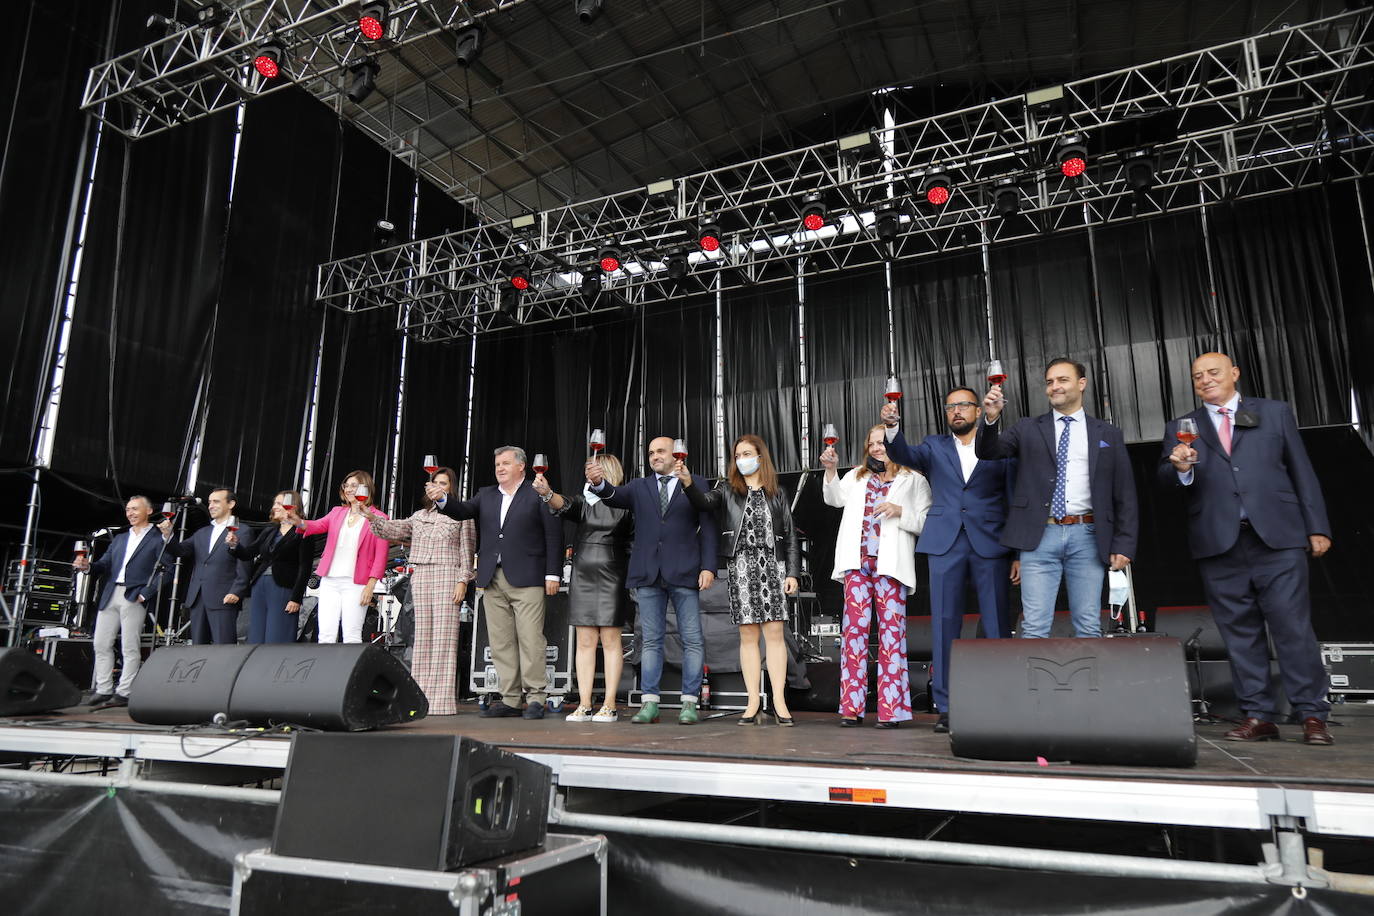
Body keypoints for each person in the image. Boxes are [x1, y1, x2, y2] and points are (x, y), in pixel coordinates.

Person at [1160, 352, 1334, 745]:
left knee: (1292, 628)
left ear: (1234, 373)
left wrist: (1317, 527)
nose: (1205, 380)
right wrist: (1181, 468)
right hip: (1220, 542)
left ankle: (1311, 714)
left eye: (1213, 372)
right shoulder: (1182, 426)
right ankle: (1258, 714)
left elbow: (1301, 470)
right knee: (1238, 633)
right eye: (1197, 376)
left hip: (1278, 536)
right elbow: (1164, 479)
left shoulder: (1274, 413)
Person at [881, 388, 1019, 734]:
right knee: (944, 625)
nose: (956, 411)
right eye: (951, 406)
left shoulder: (1001, 447)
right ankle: (946, 706)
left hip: (990, 542)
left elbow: (1015, 498)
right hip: (945, 542)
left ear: (978, 410)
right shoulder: (934, 446)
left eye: (963, 405)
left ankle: (1001, 702)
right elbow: (902, 453)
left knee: (997, 625)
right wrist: (892, 428)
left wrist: (1018, 553)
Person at [976, 358, 1138, 639]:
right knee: (1034, 627)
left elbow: (1124, 492)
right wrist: (990, 418)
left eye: (1062, 380)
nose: (1055, 387)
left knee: (1088, 625)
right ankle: (1033, 685)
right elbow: (989, 451)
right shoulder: (1027, 428)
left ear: (1081, 384)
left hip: (1088, 534)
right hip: (1040, 535)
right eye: (1050, 382)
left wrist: (1124, 543)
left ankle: (1087, 684)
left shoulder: (1107, 433)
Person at [586, 436, 718, 726]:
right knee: (651, 640)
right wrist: (598, 483)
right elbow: (613, 495)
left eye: (661, 451)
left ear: (676, 454)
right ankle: (649, 703)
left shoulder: (694, 483)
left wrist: (709, 566)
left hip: (684, 571)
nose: (655, 456)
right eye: (650, 452)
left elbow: (708, 526)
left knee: (692, 639)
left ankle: (690, 703)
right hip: (648, 572)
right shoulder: (639, 486)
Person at [681, 435, 801, 726]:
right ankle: (752, 702)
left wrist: (793, 572)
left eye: (747, 453)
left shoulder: (777, 492)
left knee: (774, 634)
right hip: (741, 565)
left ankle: (780, 703)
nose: (742, 459)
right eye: (737, 455)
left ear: (760, 457)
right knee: (748, 635)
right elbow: (704, 502)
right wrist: (687, 483)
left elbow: (791, 533)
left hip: (773, 564)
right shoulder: (727, 489)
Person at [435, 447, 561, 720]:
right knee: (501, 641)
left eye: (505, 463)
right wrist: (443, 499)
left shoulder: (536, 492)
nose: (500, 468)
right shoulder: (487, 494)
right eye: (497, 464)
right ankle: (511, 699)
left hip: (528, 576)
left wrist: (553, 573)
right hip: (492, 577)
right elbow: (462, 510)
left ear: (521, 467)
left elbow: (553, 534)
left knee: (530, 639)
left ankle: (537, 697)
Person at [822, 424, 932, 728]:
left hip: (890, 568)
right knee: (854, 636)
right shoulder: (857, 475)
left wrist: (900, 511)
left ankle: (891, 711)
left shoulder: (914, 480)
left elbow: (926, 521)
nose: (876, 448)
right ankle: (851, 708)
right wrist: (831, 470)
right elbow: (833, 498)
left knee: (891, 638)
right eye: (871, 444)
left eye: (882, 443)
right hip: (857, 566)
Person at [367, 467, 477, 716]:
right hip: (421, 574)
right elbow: (394, 530)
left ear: (451, 488)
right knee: (423, 637)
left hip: (448, 573)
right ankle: (419, 699)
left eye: (444, 483)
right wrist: (372, 518)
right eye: (434, 482)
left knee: (444, 639)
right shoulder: (418, 515)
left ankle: (441, 702)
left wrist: (463, 580)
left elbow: (467, 550)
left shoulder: (462, 514)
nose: (438, 486)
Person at [534, 453, 634, 724]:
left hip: (613, 573)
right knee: (585, 641)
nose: (590, 475)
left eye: (596, 470)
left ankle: (610, 704)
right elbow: (563, 504)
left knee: (611, 641)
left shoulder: (626, 502)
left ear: (609, 471)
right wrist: (546, 492)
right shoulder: (585, 501)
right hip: (584, 573)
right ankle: (585, 703)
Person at [73, 495, 170, 708]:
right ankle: (104, 689)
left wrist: (147, 593)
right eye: (128, 510)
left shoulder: (157, 539)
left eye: (135, 509)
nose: (131, 513)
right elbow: (103, 565)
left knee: (129, 645)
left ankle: (124, 691)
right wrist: (87, 566)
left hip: (134, 595)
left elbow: (168, 570)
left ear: (149, 511)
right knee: (100, 643)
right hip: (110, 593)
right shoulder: (119, 539)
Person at [287, 471, 390, 644]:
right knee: (325, 634)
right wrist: (298, 522)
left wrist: (370, 586)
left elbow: (381, 556)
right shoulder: (337, 512)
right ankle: (325, 670)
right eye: (346, 485)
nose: (349, 489)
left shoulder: (379, 517)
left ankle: (349, 671)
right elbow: (317, 525)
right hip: (330, 580)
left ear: (366, 488)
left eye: (354, 485)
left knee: (352, 634)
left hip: (356, 583)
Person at [166, 488, 253, 645]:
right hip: (198, 596)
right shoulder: (202, 532)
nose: (211, 505)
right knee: (198, 646)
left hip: (224, 596)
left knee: (223, 645)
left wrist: (237, 591)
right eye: (210, 502)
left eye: (216, 501)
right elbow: (180, 551)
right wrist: (168, 536)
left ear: (231, 503)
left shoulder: (243, 530)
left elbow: (245, 562)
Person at [231, 490, 317, 644]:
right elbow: (248, 553)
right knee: (256, 634)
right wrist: (234, 545)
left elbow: (305, 567)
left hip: (283, 587)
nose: (274, 507)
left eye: (279, 503)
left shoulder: (303, 531)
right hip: (260, 585)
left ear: (292, 506)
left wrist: (296, 598)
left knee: (278, 634)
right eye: (275, 503)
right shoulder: (270, 530)